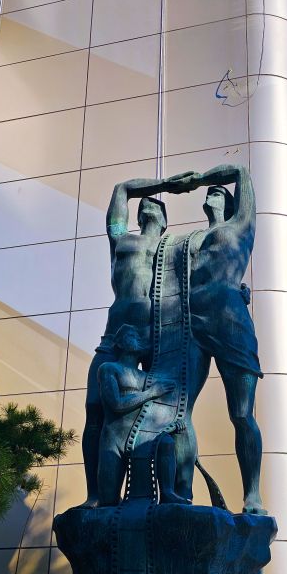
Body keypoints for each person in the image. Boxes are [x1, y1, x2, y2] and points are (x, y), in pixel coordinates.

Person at [81, 173, 196, 506]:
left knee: (177, 413)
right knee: (94, 409)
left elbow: (206, 274)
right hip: (113, 336)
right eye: (145, 202)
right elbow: (121, 189)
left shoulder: (173, 248)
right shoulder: (122, 242)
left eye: (156, 204)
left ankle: (178, 492)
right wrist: (166, 185)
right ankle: (97, 495)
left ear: (164, 221)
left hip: (158, 341)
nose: (148, 204)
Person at [173, 164, 265, 514]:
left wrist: (198, 179)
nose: (212, 193)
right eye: (209, 192)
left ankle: (252, 494)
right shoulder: (193, 239)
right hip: (192, 324)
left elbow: (240, 171)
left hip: (231, 324)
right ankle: (180, 492)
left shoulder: (240, 227)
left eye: (218, 191)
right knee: (178, 410)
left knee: (241, 413)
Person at [97, 325, 189, 507]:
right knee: (108, 501)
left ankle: (168, 492)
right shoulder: (109, 369)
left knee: (166, 443)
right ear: (119, 343)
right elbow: (116, 404)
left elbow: (158, 411)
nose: (137, 338)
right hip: (113, 440)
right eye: (132, 335)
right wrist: (151, 393)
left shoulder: (148, 377)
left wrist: (174, 423)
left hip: (142, 438)